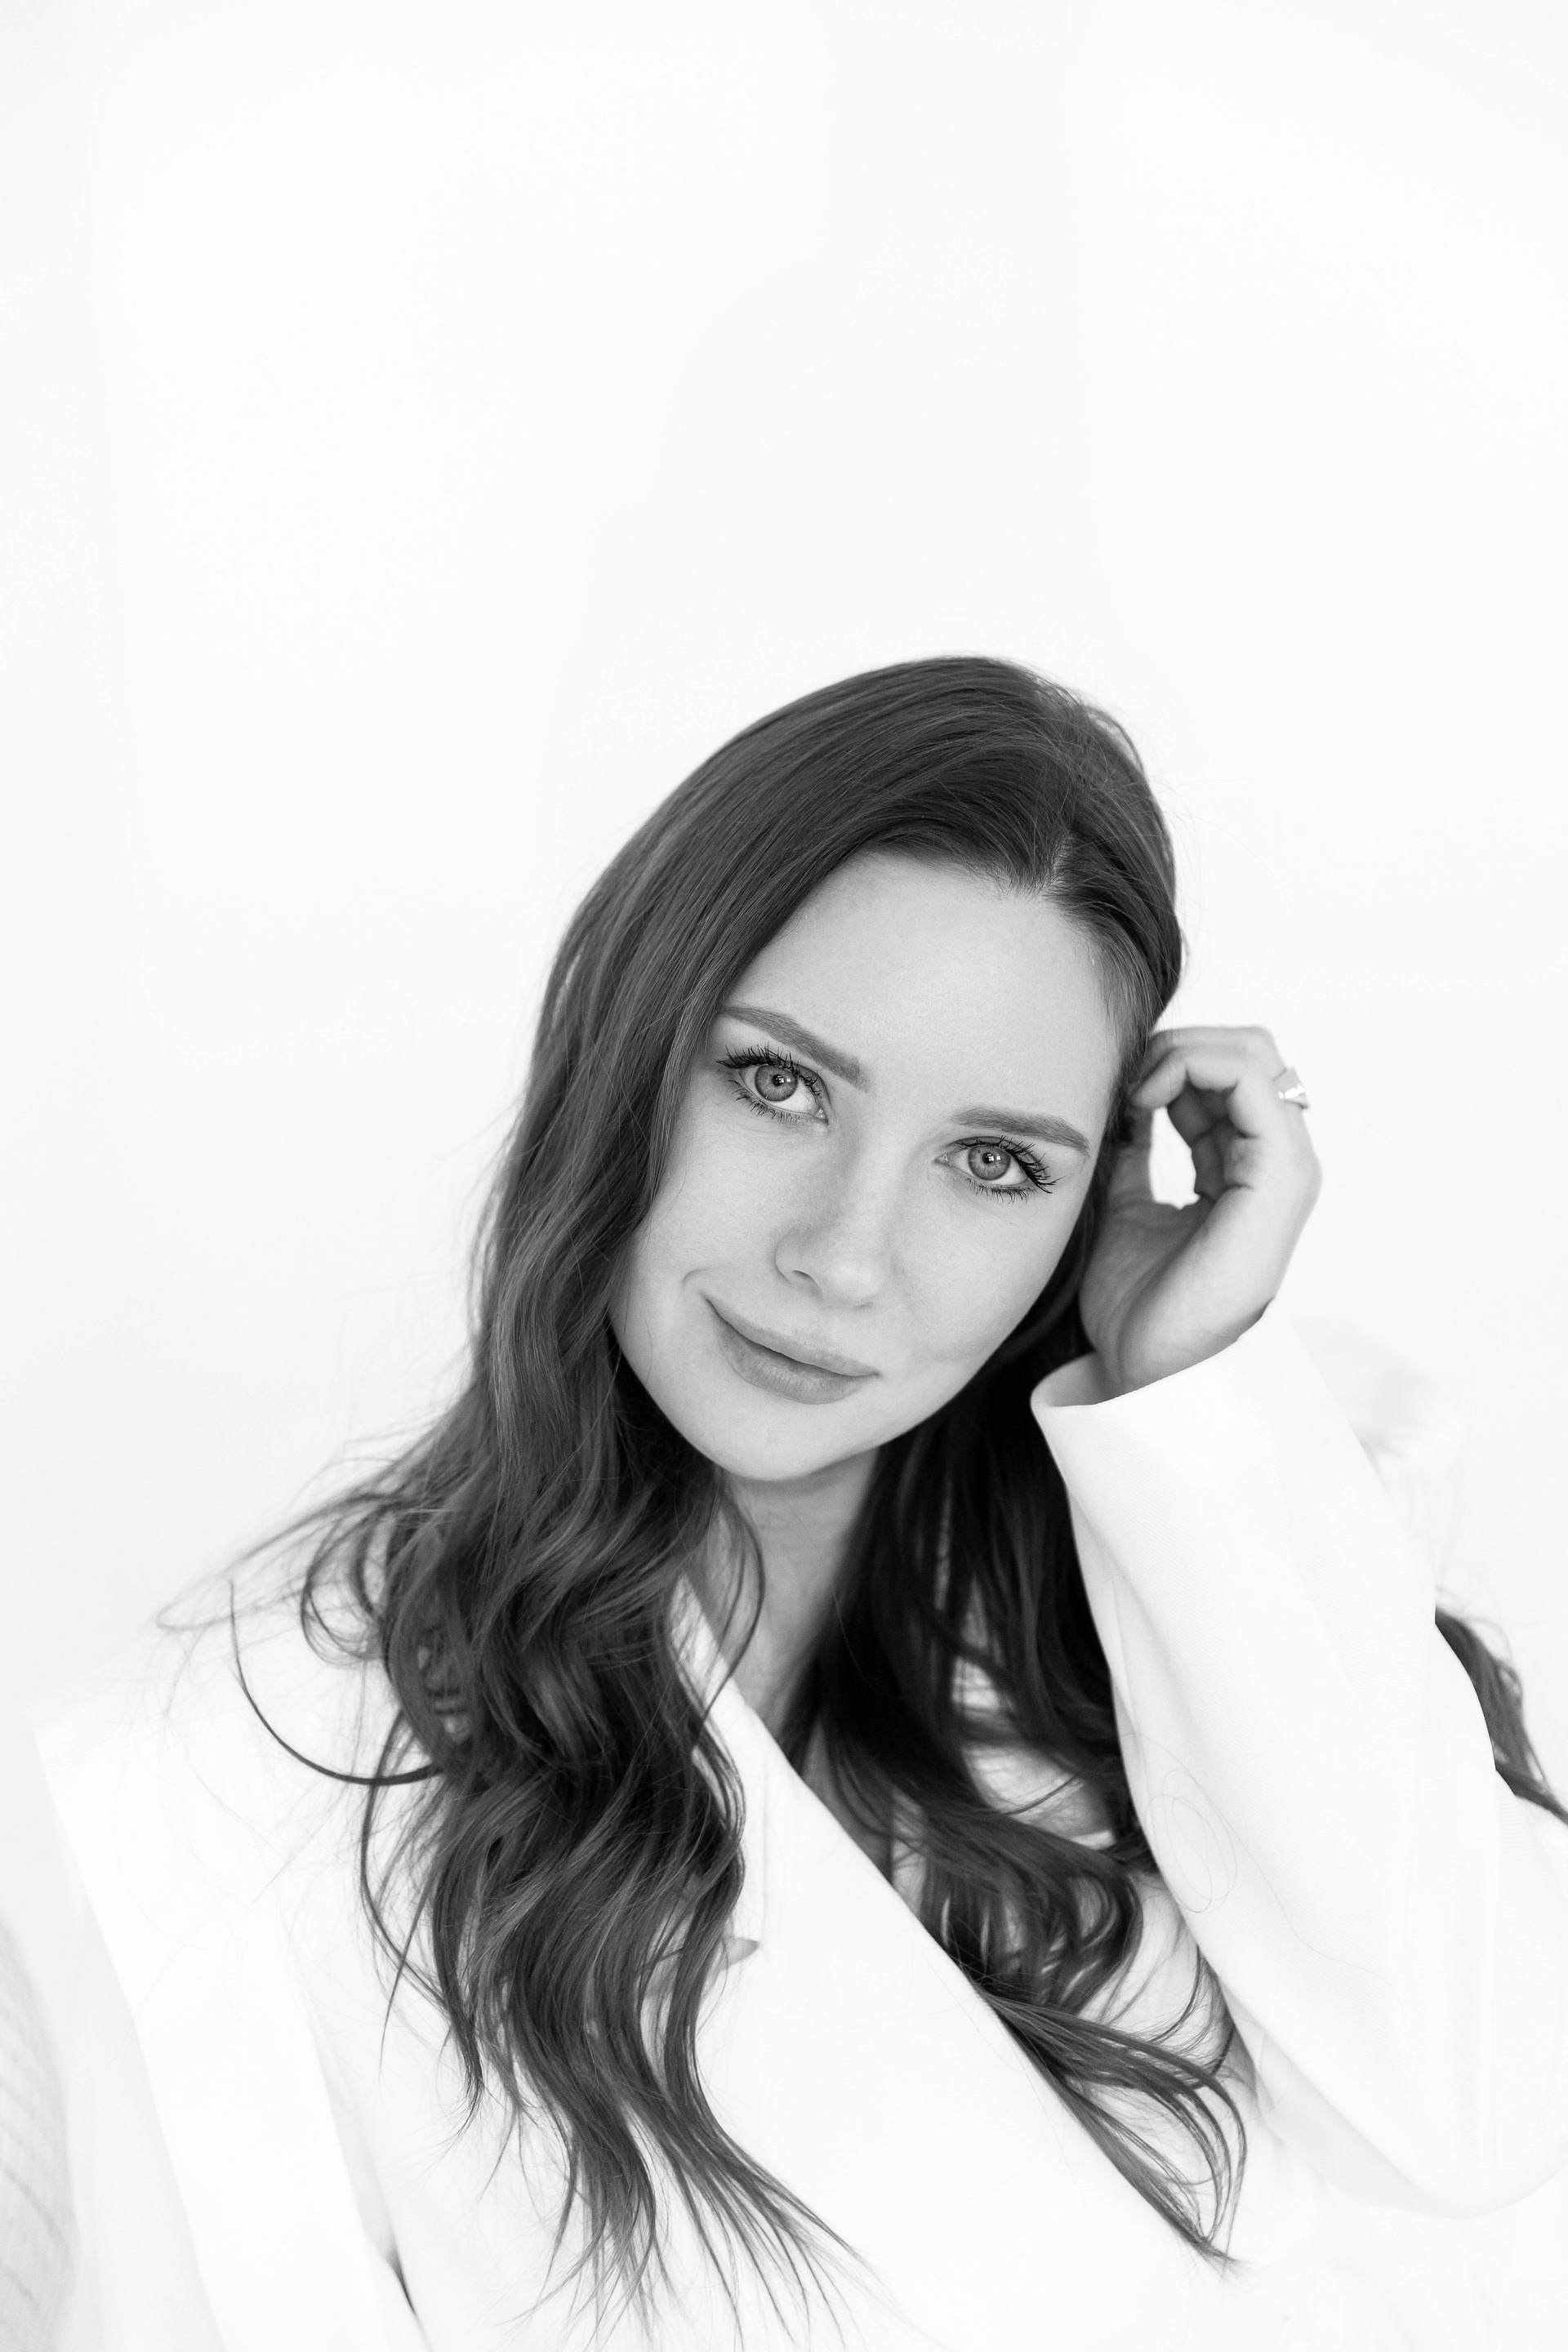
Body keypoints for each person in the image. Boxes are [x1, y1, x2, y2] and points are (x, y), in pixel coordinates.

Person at [32, 656, 1568, 2350]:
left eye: (994, 1163)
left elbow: (1473, 2124)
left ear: (1086, 1208)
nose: (844, 1258)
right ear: (624, 1051)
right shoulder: (215, 1794)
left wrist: (1190, 1392)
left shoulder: (1234, 1563)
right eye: (778, 1084)